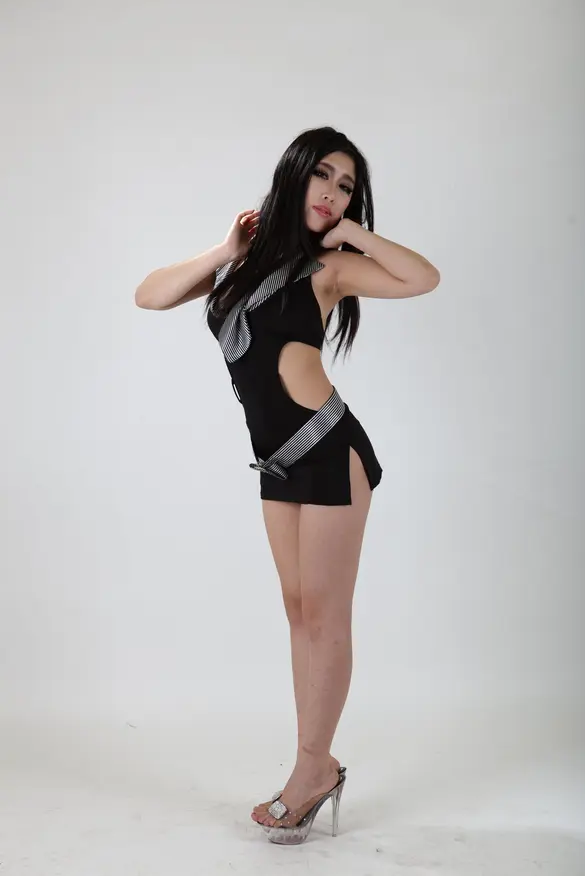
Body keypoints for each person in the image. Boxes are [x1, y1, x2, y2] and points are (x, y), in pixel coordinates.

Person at [135, 126, 440, 844]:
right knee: (299, 612)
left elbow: (422, 278)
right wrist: (225, 251)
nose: (332, 194)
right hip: (277, 464)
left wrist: (357, 234)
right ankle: (315, 763)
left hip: (329, 451)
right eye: (322, 176)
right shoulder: (240, 267)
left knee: (326, 615)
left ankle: (310, 770)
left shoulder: (331, 267)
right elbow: (149, 295)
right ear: (293, 175)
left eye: (347, 187)